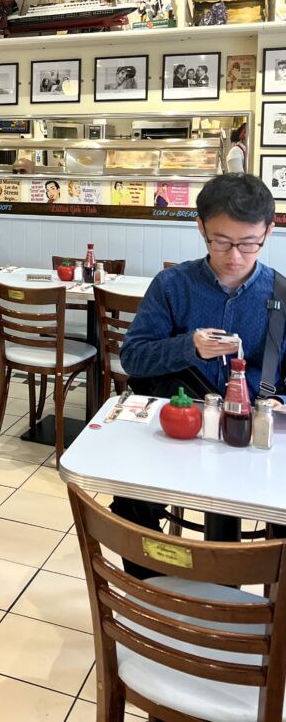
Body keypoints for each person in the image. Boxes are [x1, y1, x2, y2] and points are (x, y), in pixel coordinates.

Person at [114, 174, 286, 567]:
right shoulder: (172, 285)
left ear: (268, 232)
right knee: (129, 508)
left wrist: (277, 401)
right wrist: (187, 346)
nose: (235, 256)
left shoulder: (281, 296)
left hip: (259, 441)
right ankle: (156, 597)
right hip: (179, 431)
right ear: (201, 228)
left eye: (248, 244)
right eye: (221, 241)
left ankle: (262, 617)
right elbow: (134, 358)